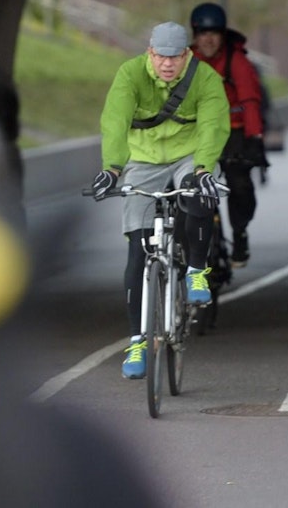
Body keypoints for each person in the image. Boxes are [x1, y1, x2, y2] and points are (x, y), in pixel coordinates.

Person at [91, 21, 230, 379]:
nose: (167, 64)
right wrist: (112, 169)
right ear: (149, 53)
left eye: (175, 57)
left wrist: (203, 169)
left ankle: (196, 271)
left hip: (189, 156)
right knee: (137, 252)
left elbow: (214, 125)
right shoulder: (130, 74)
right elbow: (115, 121)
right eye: (160, 56)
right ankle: (138, 341)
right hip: (142, 160)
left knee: (199, 196)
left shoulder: (206, 79)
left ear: (187, 55)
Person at [189, 2, 267, 268]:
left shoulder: (237, 62)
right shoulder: (186, 61)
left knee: (239, 182)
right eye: (203, 33)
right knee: (187, 185)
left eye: (214, 33)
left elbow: (251, 102)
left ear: (222, 35)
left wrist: (254, 140)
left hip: (233, 130)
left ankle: (239, 232)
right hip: (197, 132)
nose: (208, 39)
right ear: (195, 36)